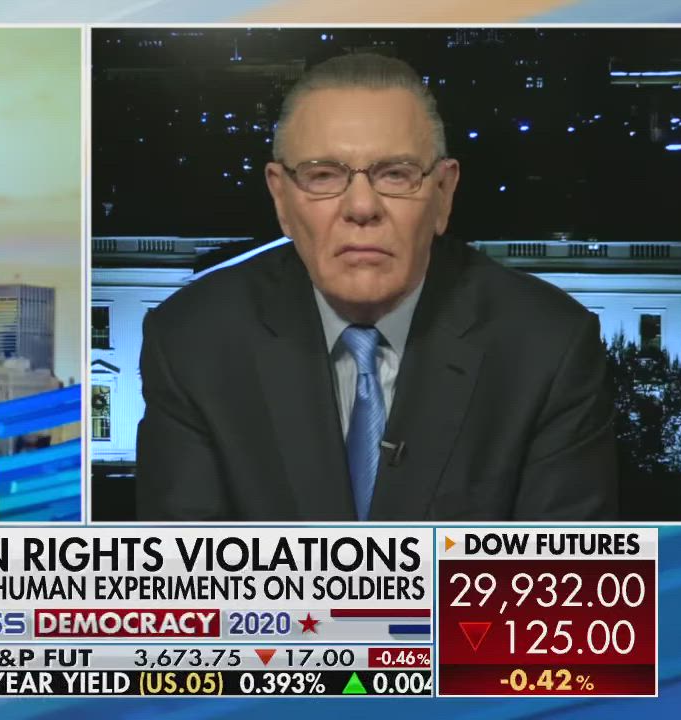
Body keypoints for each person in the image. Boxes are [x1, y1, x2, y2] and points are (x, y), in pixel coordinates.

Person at [136, 53, 618, 522]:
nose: (362, 207)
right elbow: (188, 571)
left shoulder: (547, 348)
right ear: (281, 198)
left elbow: (560, 572)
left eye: (396, 175)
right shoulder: (191, 344)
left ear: (443, 193)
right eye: (323, 176)